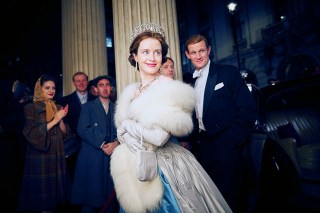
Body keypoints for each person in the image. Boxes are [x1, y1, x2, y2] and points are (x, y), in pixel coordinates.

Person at [110, 23, 232, 213]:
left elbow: (159, 138)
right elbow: (124, 136)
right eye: (145, 52)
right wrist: (124, 133)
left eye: (157, 53)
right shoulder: (132, 91)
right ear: (134, 56)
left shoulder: (166, 85)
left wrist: (127, 126)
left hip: (165, 168)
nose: (152, 58)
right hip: (136, 169)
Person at [184, 34, 258, 213]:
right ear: (187, 55)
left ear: (209, 50)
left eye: (201, 50)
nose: (198, 56)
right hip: (204, 147)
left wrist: (234, 140)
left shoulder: (228, 73)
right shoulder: (189, 81)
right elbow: (192, 115)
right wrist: (190, 141)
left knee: (232, 198)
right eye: (194, 52)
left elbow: (248, 109)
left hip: (228, 146)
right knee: (212, 198)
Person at [17, 74, 70, 212]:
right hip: (41, 156)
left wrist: (61, 118)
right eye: (47, 88)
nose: (51, 90)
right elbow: (31, 133)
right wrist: (55, 120)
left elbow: (65, 133)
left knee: (55, 200)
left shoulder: (57, 106)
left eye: (53, 88)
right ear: (40, 89)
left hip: (57, 154)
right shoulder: (30, 108)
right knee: (43, 199)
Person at [71, 75, 119, 213]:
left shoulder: (117, 108)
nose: (104, 88)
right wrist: (102, 143)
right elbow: (82, 129)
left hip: (112, 155)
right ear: (96, 89)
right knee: (91, 194)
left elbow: (123, 130)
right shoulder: (88, 107)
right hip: (92, 155)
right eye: (101, 85)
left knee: (109, 193)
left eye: (107, 85)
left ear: (111, 88)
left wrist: (116, 143)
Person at [56, 71, 96, 191]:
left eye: (83, 80)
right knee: (75, 177)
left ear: (87, 82)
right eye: (78, 81)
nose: (81, 83)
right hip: (74, 147)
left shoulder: (97, 100)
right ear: (74, 83)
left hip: (93, 145)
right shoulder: (64, 101)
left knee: (92, 176)